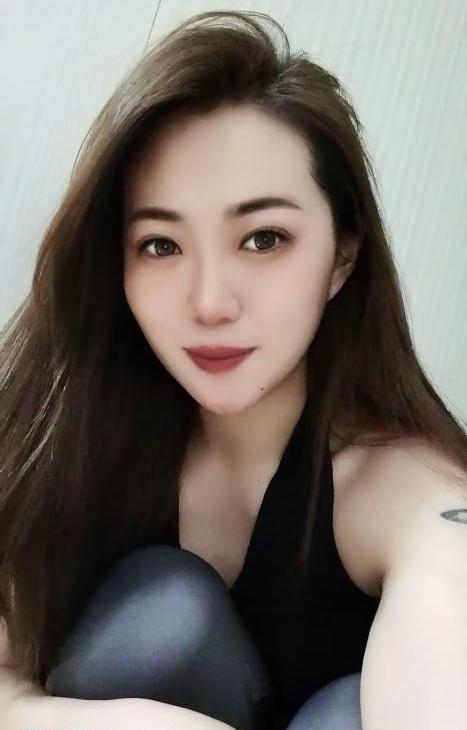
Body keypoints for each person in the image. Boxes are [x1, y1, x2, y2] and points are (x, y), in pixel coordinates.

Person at [1, 9, 466, 730]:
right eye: (160, 245)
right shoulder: (68, 444)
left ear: (342, 258)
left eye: (263, 238)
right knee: (164, 619)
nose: (210, 302)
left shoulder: (399, 486)